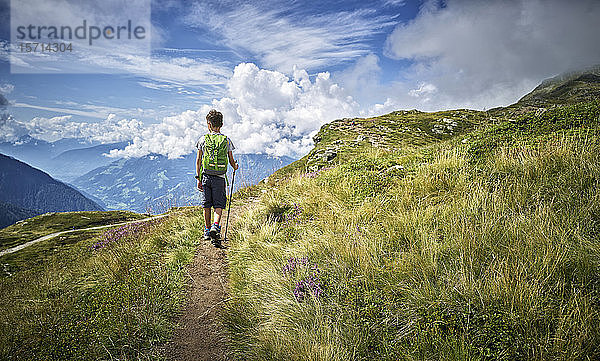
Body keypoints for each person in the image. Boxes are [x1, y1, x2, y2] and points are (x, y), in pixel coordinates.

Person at [195, 109, 238, 243]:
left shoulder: (203, 139)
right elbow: (231, 159)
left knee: (206, 205)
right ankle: (216, 226)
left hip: (206, 176)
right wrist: (235, 167)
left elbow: (198, 160)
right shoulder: (226, 140)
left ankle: (207, 230)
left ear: (209, 124)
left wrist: (198, 177)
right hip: (220, 177)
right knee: (218, 204)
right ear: (222, 124)